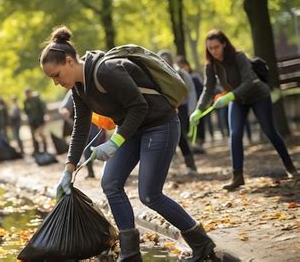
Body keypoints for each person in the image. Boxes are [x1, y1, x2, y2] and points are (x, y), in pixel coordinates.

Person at [40, 26, 216, 261]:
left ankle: (202, 244)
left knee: (150, 194)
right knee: (110, 183)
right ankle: (131, 254)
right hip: (133, 131)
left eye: (56, 75)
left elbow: (139, 106)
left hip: (160, 124)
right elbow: (80, 127)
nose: (56, 82)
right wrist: (68, 169)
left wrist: (114, 142)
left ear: (70, 61)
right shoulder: (78, 88)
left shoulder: (106, 70)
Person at [189, 29, 298, 191]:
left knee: (270, 131)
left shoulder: (238, 57)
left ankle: (290, 167)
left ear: (224, 44)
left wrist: (229, 96)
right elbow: (208, 89)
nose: (214, 51)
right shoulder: (210, 66)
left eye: (216, 47)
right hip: (238, 100)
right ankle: (237, 176)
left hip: (258, 95)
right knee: (235, 134)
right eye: (210, 48)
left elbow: (249, 81)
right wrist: (198, 110)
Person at [159, 51, 198, 174]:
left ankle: (190, 165)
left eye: (166, 60)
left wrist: (192, 109)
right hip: (167, 109)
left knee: (180, 136)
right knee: (167, 137)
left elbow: (191, 91)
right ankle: (167, 167)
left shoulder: (181, 73)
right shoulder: (157, 74)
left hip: (182, 107)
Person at [59, 90, 105, 178]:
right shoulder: (75, 90)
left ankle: (113, 171)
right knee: (88, 148)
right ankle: (91, 172)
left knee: (103, 146)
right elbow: (64, 107)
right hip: (86, 125)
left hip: (100, 124)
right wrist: (65, 111)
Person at [23, 88, 48, 155]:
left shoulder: (36, 99)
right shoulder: (25, 101)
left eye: (28, 93)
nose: (27, 95)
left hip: (40, 120)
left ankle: (45, 149)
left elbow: (43, 107)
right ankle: (37, 151)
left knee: (40, 134)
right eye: (26, 94)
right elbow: (26, 111)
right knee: (33, 136)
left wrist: (44, 116)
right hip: (32, 122)